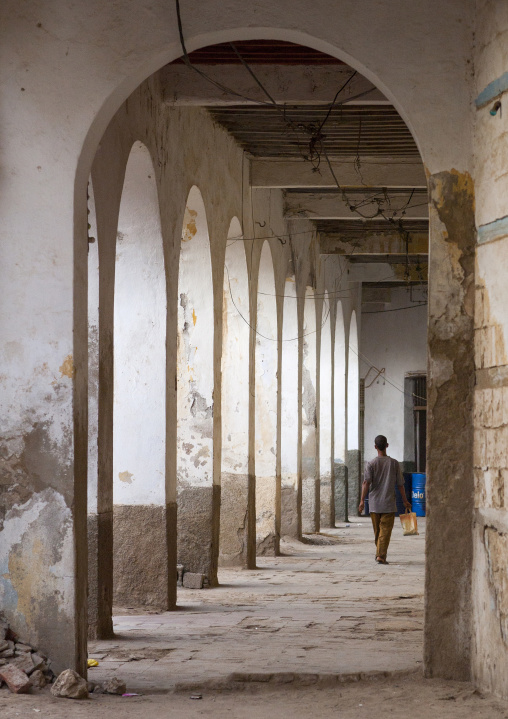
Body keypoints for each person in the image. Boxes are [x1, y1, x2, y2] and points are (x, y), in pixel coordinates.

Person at [358, 434, 411, 564]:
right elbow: (400, 484)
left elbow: (366, 483)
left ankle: (380, 554)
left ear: (375, 447)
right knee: (384, 532)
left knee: (378, 532)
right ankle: (380, 555)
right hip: (388, 504)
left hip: (374, 504)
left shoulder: (371, 464)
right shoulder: (394, 463)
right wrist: (405, 500)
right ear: (387, 446)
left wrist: (361, 501)